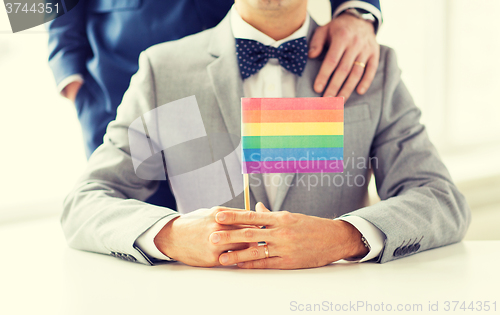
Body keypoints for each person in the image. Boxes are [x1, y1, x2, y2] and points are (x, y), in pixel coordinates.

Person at [62, 0, 470, 269]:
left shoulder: (372, 69)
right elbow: (86, 204)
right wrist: (67, 69)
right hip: (124, 86)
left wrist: (344, 237)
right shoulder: (160, 70)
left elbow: (441, 200)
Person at [48, 0, 382, 158]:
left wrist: (358, 10)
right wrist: (68, 73)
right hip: (118, 91)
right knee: (131, 237)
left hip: (257, 74)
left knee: (280, 224)